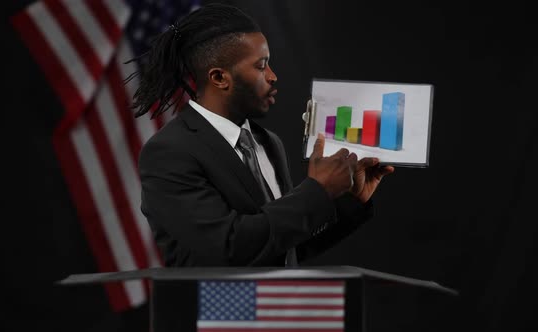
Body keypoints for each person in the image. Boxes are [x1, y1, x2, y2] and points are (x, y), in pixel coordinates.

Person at [130, 3, 394, 267]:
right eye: (261, 66)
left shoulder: (268, 143)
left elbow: (283, 246)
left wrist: (350, 202)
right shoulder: (169, 152)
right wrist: (318, 191)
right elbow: (227, 247)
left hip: (276, 307)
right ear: (220, 77)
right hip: (212, 308)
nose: (273, 76)